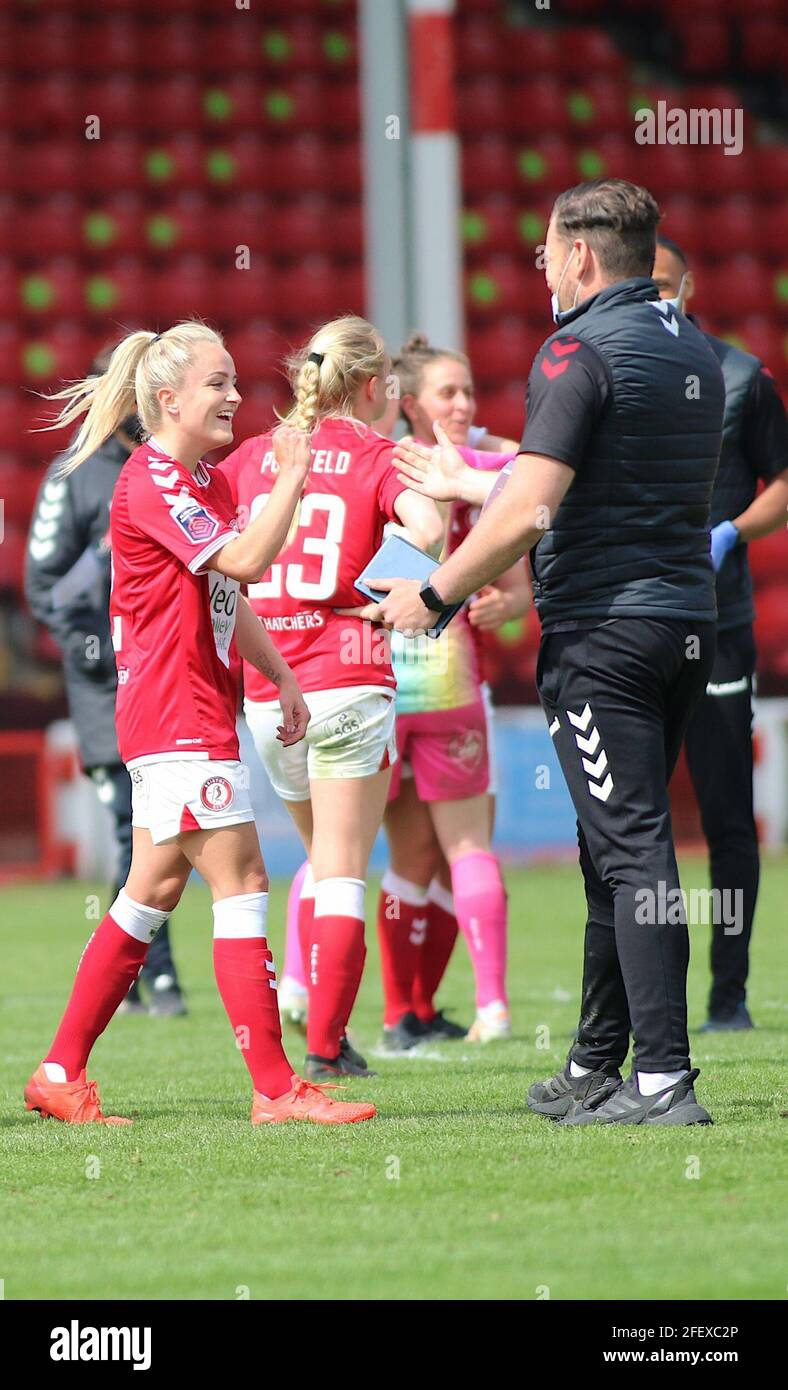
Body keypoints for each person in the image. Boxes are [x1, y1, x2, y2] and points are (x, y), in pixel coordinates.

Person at [376, 179, 727, 1127]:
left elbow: (534, 503)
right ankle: (594, 1064)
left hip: (605, 636)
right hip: (683, 622)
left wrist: (438, 593)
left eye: (544, 249)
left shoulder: (577, 348)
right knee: (610, 849)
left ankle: (661, 1080)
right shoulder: (690, 345)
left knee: (634, 848)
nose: (538, 265)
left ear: (580, 256)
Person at [24, 321, 375, 1126]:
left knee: (150, 892)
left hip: (181, 711)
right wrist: (293, 475)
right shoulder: (153, 482)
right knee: (244, 879)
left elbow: (229, 592)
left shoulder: (201, 482)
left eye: (232, 381)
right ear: (167, 398)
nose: (234, 396)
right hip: (176, 715)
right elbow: (249, 561)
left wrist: (279, 671)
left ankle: (57, 1071)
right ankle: (278, 1090)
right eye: (217, 383)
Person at [219, 316, 443, 1080]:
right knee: (345, 867)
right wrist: (388, 597)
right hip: (347, 676)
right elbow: (432, 524)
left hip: (268, 687)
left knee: (318, 859)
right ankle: (324, 1046)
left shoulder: (253, 456)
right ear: (377, 386)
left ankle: (311, 1033)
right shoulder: (380, 455)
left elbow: (224, 556)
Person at [25, 344, 186, 1017]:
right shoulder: (76, 474)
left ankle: (146, 977)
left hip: (171, 677)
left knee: (174, 830)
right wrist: (96, 643)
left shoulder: (177, 469)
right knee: (131, 827)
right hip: (105, 686)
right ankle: (156, 978)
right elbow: (43, 586)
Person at [377, 336, 529, 1048]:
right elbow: (545, 487)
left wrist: (513, 604)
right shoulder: (491, 466)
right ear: (410, 402)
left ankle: (402, 1014)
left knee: (399, 856)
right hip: (443, 675)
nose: (463, 404)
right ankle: (488, 1004)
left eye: (468, 391)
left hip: (379, 672)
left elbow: (518, 585)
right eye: (448, 393)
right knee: (464, 846)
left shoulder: (383, 461)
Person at [653, 235, 788, 1031]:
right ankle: (649, 998)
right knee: (633, 820)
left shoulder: (742, 377)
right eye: (649, 287)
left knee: (727, 816)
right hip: (635, 624)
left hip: (720, 626)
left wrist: (731, 531)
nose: (659, 301)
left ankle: (728, 994)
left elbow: (784, 483)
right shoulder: (611, 371)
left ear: (691, 284)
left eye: (669, 287)